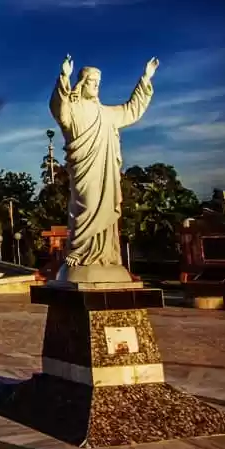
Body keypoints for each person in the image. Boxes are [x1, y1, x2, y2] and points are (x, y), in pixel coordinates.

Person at [49, 54, 159, 282]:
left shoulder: (107, 114)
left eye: (99, 83)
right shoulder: (74, 111)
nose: (97, 86)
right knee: (87, 206)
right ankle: (80, 252)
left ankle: (105, 256)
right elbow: (60, 109)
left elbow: (131, 110)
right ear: (83, 82)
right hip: (85, 171)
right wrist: (64, 77)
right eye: (92, 82)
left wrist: (146, 78)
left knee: (107, 211)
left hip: (106, 172)